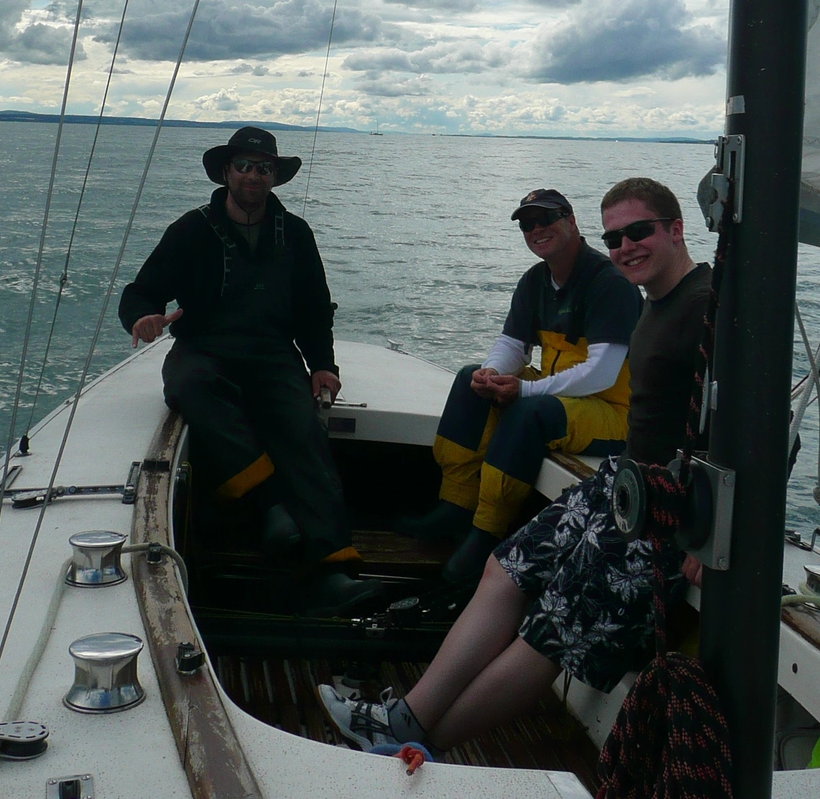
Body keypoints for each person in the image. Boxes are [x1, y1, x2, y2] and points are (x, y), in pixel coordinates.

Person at [320, 176, 712, 752]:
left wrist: (705, 540)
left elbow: (765, 432)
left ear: (676, 230)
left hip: (667, 514)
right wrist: (489, 374)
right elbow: (513, 345)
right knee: (505, 571)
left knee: (551, 628)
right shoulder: (655, 301)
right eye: (616, 237)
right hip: (623, 483)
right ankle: (408, 715)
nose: (625, 245)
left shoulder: (708, 310)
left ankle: (409, 740)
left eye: (639, 231)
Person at [118, 125, 374, 613]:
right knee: (189, 385)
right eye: (244, 166)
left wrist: (322, 364)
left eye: (264, 168)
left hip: (273, 353)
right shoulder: (190, 229)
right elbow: (141, 291)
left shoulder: (295, 232)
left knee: (303, 429)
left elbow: (315, 308)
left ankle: (333, 566)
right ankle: (268, 506)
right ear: (225, 172)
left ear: (274, 176)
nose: (253, 175)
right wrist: (143, 317)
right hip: (204, 349)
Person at [397, 188, 641, 583]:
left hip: (614, 410)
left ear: (572, 221)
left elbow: (602, 374)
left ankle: (485, 533)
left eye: (547, 219)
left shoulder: (608, 283)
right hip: (566, 396)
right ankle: (455, 505)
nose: (537, 229)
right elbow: (512, 344)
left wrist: (525, 390)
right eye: (528, 224)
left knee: (529, 410)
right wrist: (491, 373)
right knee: (469, 381)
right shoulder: (535, 281)